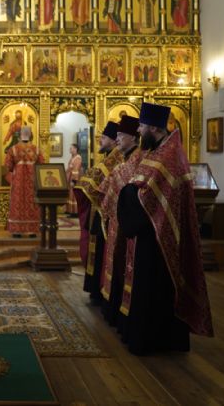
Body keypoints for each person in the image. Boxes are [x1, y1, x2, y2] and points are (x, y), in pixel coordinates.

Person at [116, 102, 213, 355]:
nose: (139, 130)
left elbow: (149, 193)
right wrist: (130, 192)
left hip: (161, 234)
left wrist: (129, 193)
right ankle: (145, 336)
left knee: (158, 287)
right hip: (149, 230)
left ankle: (157, 340)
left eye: (142, 126)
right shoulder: (157, 151)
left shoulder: (170, 156)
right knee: (147, 286)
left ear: (155, 128)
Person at [97, 116, 142, 325]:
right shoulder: (125, 159)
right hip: (118, 220)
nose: (117, 140)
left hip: (128, 223)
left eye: (121, 136)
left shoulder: (138, 159)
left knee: (123, 265)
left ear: (132, 137)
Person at [73, 121, 121, 301]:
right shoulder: (109, 157)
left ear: (115, 140)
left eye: (104, 138)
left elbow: (93, 179)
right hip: (98, 212)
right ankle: (96, 289)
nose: (100, 140)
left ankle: (101, 291)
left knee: (102, 253)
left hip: (107, 215)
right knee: (96, 250)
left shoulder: (116, 160)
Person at [5, 126, 45, 237]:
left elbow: (8, 165)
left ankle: (17, 231)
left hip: (18, 180)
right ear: (30, 134)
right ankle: (32, 231)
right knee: (32, 202)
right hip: (33, 180)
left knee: (17, 201)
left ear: (20, 134)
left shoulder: (13, 149)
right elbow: (42, 164)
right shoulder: (36, 149)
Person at [66, 143, 83, 216]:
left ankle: (75, 212)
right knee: (71, 195)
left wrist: (73, 181)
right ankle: (70, 211)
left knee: (74, 196)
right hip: (70, 179)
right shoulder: (72, 158)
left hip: (75, 180)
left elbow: (76, 170)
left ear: (75, 149)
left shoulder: (78, 158)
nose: (70, 150)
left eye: (71, 148)